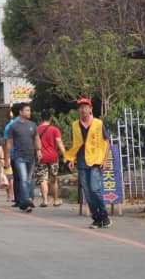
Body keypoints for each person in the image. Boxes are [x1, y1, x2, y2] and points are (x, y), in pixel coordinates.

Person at [64, 98, 112, 229]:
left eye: (85, 107)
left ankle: (104, 216)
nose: (83, 109)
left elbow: (107, 142)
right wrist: (71, 159)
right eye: (80, 107)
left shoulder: (98, 123)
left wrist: (105, 160)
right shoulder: (75, 125)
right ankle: (96, 218)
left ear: (90, 109)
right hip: (81, 161)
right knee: (87, 191)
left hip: (96, 160)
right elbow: (75, 144)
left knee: (95, 189)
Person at [5, 103, 40, 213]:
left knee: (29, 179)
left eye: (30, 110)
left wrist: (39, 150)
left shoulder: (33, 125)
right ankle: (27, 200)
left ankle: (26, 200)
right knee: (24, 179)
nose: (29, 112)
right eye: (27, 110)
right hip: (19, 157)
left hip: (31, 156)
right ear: (21, 112)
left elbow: (36, 138)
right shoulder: (13, 126)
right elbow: (9, 143)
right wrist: (6, 158)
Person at [36, 111, 66, 207]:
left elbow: (35, 143)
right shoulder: (54, 129)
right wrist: (65, 155)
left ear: (41, 118)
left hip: (41, 157)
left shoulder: (36, 129)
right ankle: (56, 200)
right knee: (54, 179)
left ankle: (45, 201)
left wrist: (38, 151)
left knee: (43, 179)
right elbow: (59, 142)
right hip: (53, 157)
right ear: (51, 118)